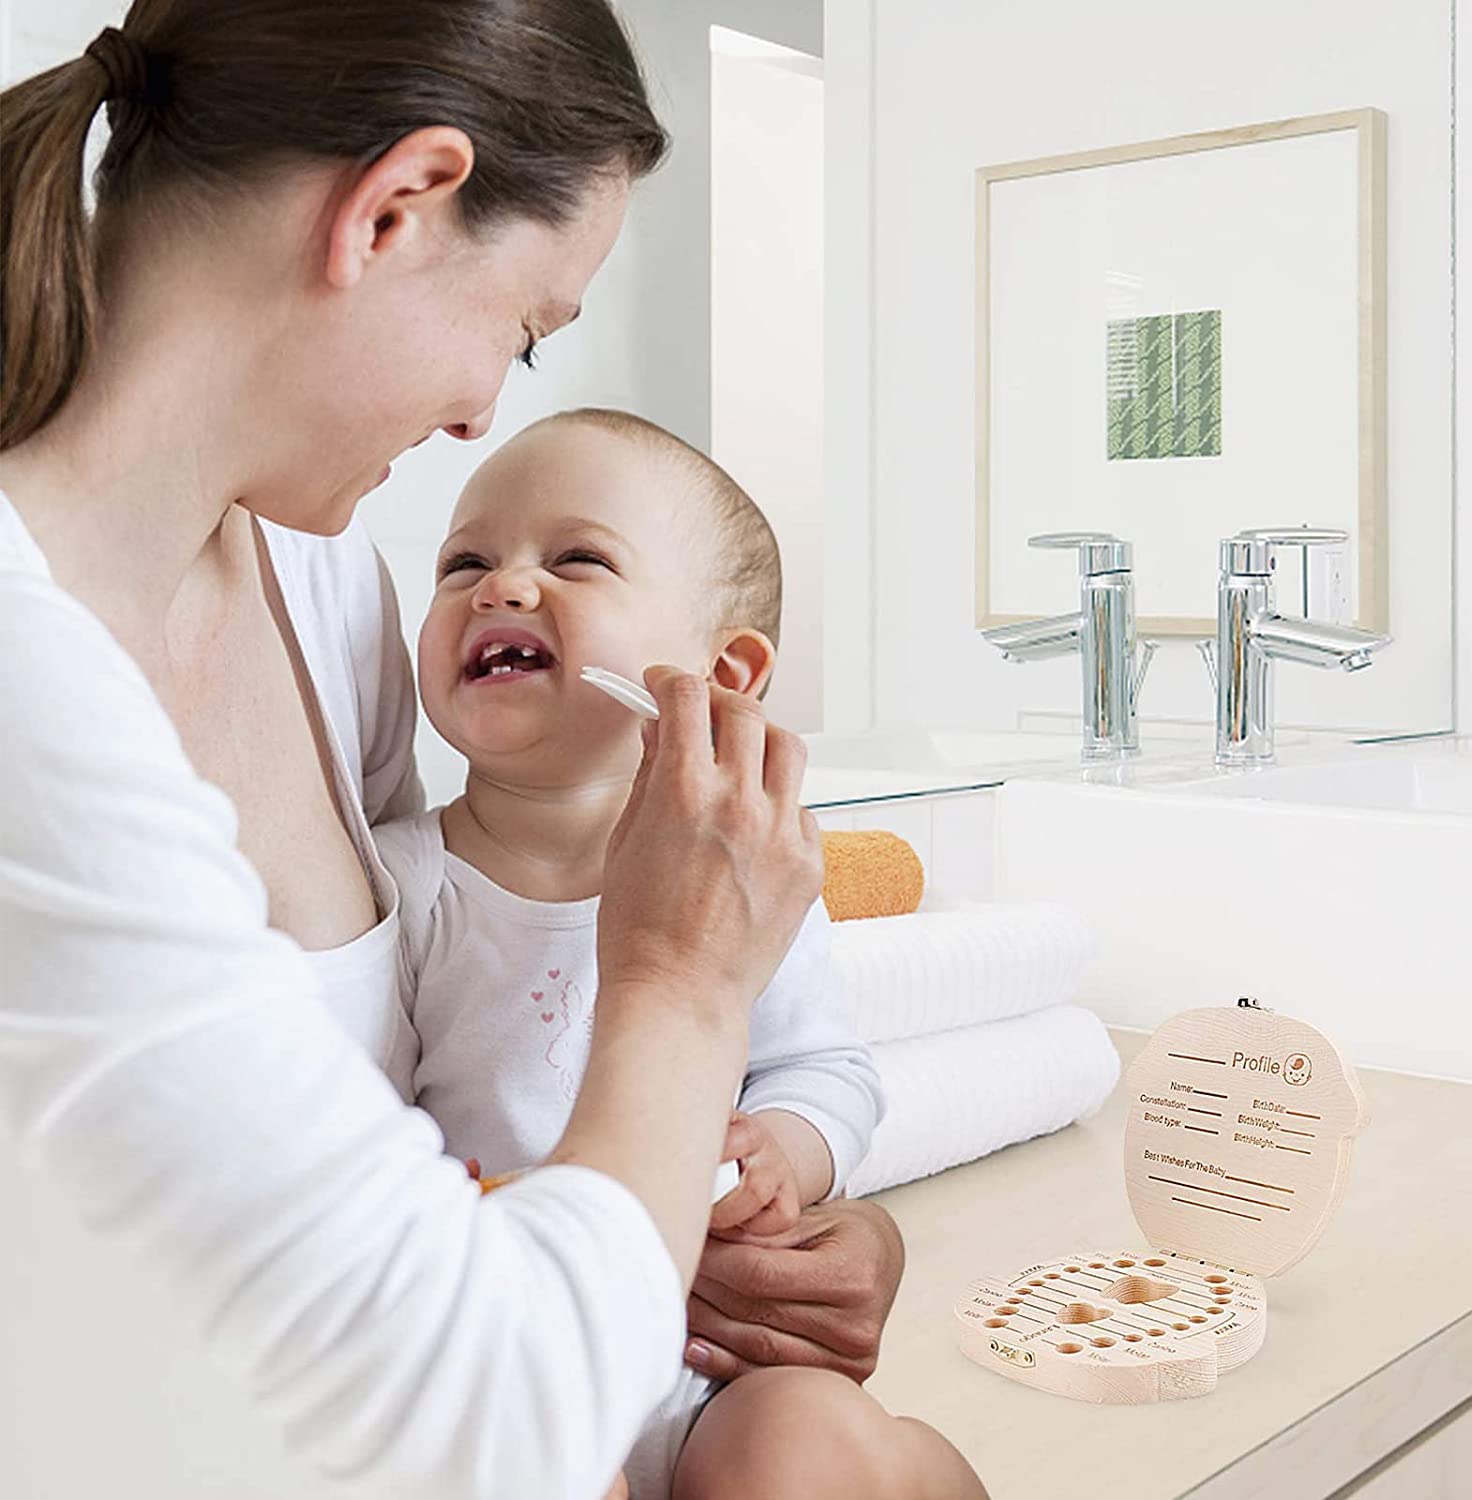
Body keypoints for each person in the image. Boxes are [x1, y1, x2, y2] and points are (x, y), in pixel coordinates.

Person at [0, 4, 928, 1497]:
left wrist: (788, 1237)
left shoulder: (320, 586)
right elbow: (474, 1417)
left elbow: (381, 1158)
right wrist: (683, 986)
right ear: (396, 208)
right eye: (523, 330)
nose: (482, 411)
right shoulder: (30, 691)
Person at [374, 408, 987, 1498]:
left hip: (716, 1362)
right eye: (463, 563)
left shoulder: (749, 874)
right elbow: (360, 1146)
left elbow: (827, 1071)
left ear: (724, 673)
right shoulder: (404, 884)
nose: (501, 586)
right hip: (521, 1355)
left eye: (577, 559)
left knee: (811, 1442)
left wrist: (784, 1157)